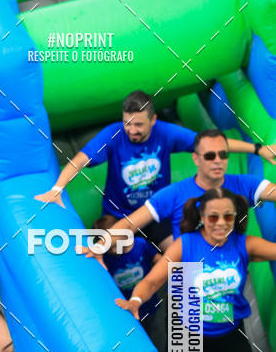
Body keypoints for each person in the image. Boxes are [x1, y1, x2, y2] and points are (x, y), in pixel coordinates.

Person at [116, 188, 276, 352]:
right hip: (190, 335)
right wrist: (135, 300)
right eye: (213, 217)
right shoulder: (186, 245)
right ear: (202, 216)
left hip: (228, 335)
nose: (221, 223)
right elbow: (152, 280)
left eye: (228, 217)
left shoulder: (244, 244)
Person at [35, 92, 276, 250]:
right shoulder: (114, 134)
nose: (131, 130)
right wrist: (58, 188)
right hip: (118, 215)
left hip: (158, 212)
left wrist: (258, 149)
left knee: (179, 255)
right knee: (112, 249)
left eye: (138, 124)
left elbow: (212, 143)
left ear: (153, 120)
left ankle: (178, 312)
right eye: (127, 123)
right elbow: (80, 160)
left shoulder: (166, 133)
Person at [106, 129, 276, 250]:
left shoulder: (244, 184)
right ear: (196, 159)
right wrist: (99, 247)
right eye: (210, 156)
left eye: (223, 155)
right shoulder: (175, 193)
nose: (217, 160)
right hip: (188, 277)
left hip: (226, 273)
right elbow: (129, 224)